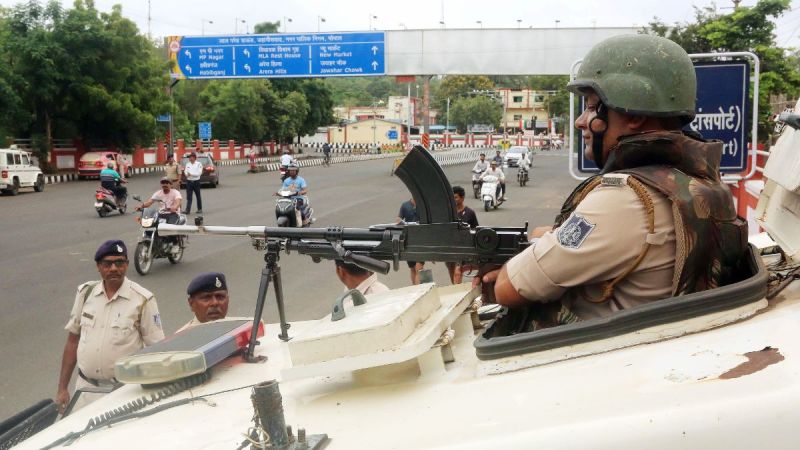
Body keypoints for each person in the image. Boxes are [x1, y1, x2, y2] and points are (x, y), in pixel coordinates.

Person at [479, 34, 747, 329]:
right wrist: (547, 238)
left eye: (593, 106)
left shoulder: (624, 199)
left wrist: (506, 267)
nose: (582, 121)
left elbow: (508, 287)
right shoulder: (695, 181)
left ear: (632, 114)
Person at [56, 240, 165, 413]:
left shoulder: (143, 299)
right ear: (99, 267)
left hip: (123, 392)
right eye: (107, 264)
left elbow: (157, 350)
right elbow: (72, 341)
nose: (114, 268)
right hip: (85, 391)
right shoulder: (85, 293)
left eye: (119, 263)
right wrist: (62, 388)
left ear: (127, 265)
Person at [446, 186, 479, 284]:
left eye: (455, 197)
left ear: (462, 198)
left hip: (463, 248)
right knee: (452, 271)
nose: (453, 199)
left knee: (457, 272)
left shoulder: (470, 213)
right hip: (449, 247)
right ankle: (455, 290)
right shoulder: (448, 213)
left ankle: (457, 291)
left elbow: (476, 230)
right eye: (452, 197)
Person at [396, 198, 425, 285]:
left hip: (421, 240)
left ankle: (418, 290)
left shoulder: (423, 205)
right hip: (408, 240)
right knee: (412, 268)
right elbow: (398, 219)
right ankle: (415, 288)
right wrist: (400, 222)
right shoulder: (405, 205)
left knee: (419, 267)